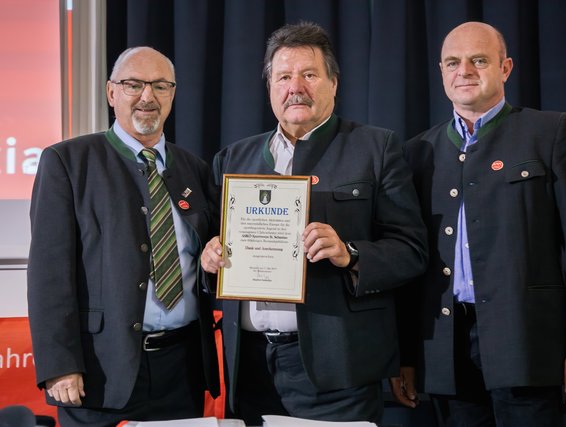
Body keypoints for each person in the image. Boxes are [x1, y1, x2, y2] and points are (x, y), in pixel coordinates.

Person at [200, 21, 428, 425]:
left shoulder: (375, 149)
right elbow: (212, 258)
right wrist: (210, 259)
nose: (295, 87)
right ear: (270, 87)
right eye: (284, 76)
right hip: (250, 367)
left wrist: (350, 253)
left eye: (309, 74)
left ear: (334, 83)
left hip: (337, 367)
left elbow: (411, 250)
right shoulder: (233, 159)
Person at [392, 21, 566, 427]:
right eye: (453, 63)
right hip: (448, 349)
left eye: (479, 60)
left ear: (506, 68)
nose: (465, 71)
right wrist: (407, 354)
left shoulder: (549, 134)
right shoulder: (418, 151)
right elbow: (412, 262)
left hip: (527, 344)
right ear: (441, 71)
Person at [27, 46, 219, 426]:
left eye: (160, 86)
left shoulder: (193, 169)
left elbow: (210, 260)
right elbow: (49, 274)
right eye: (134, 85)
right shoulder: (67, 162)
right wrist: (60, 365)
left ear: (173, 95)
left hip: (181, 370)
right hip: (99, 370)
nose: (148, 96)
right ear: (111, 92)